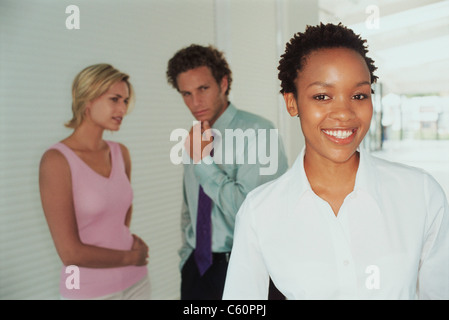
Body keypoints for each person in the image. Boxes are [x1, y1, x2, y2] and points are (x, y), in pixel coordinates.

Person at [222, 23, 449, 299]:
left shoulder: (421, 195)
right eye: (322, 96)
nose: (344, 113)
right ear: (291, 103)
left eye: (358, 95)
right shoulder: (260, 212)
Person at [166, 44, 289, 300]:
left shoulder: (259, 133)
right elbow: (189, 208)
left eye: (203, 89)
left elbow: (251, 215)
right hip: (196, 271)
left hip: (246, 269)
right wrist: (186, 259)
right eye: (186, 93)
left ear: (223, 83)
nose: (195, 102)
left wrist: (202, 162)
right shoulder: (194, 136)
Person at [39, 63, 150, 300]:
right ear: (88, 100)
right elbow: (70, 253)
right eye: (115, 99)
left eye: (125, 101)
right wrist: (132, 257)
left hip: (136, 282)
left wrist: (133, 261)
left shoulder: (121, 153)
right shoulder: (56, 161)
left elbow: (120, 221)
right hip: (89, 291)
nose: (123, 108)